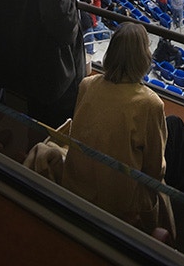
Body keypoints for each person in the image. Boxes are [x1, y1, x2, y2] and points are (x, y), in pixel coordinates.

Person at [62, 23, 173, 235]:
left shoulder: (87, 84)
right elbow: (155, 171)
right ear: (143, 58)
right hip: (117, 205)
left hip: (76, 186)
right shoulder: (150, 104)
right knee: (174, 132)